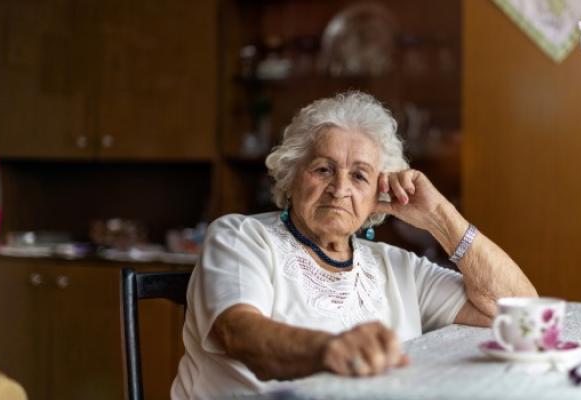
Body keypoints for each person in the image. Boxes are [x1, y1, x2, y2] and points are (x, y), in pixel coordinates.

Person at [171, 91, 537, 399]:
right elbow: (238, 334)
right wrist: (329, 351)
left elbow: (519, 314)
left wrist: (441, 217)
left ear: (379, 192)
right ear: (292, 175)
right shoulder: (242, 238)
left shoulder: (397, 267)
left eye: (359, 175)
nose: (340, 188)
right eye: (323, 169)